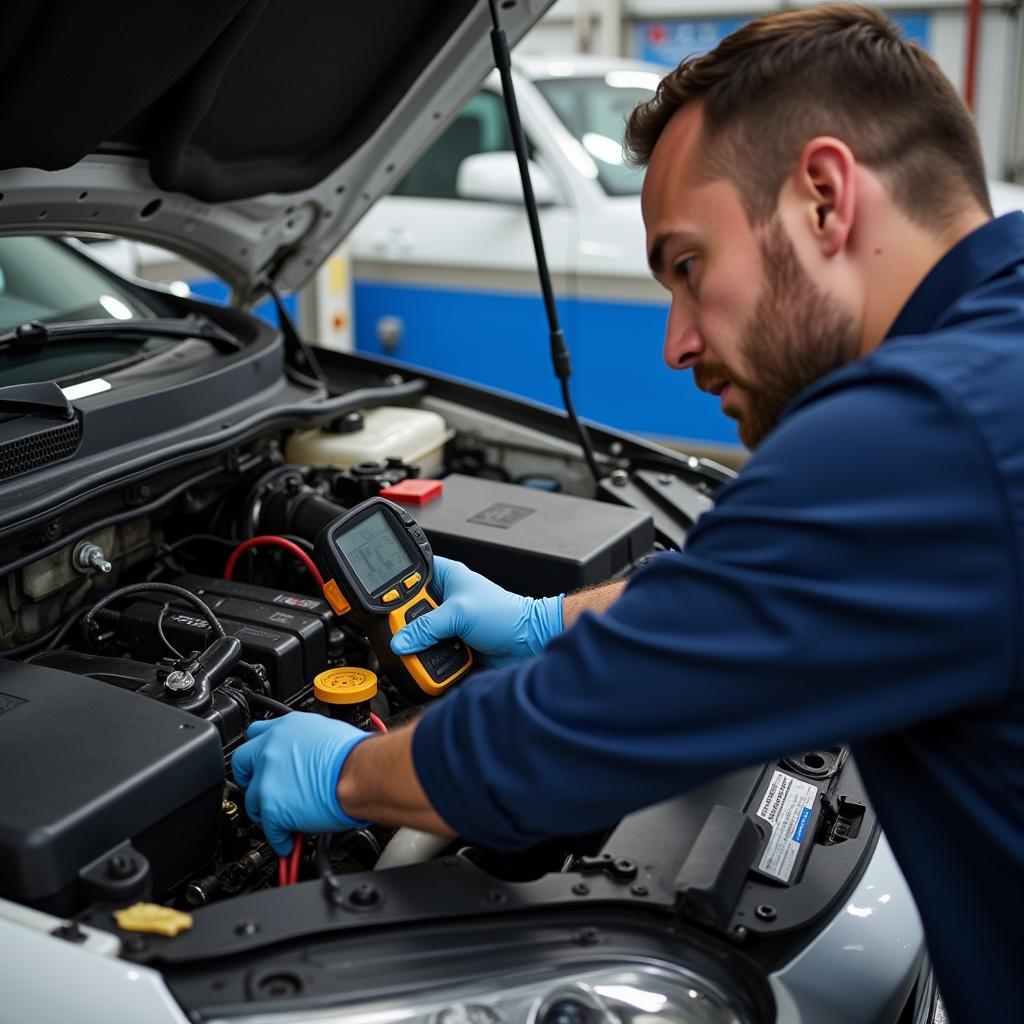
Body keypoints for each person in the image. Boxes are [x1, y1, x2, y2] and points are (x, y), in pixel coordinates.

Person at [232, 5, 1024, 1019]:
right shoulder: (986, 361)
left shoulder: (928, 426)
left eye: (687, 267)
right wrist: (545, 619)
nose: (675, 343)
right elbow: (753, 602)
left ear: (824, 198)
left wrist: (348, 771)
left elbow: (556, 744)